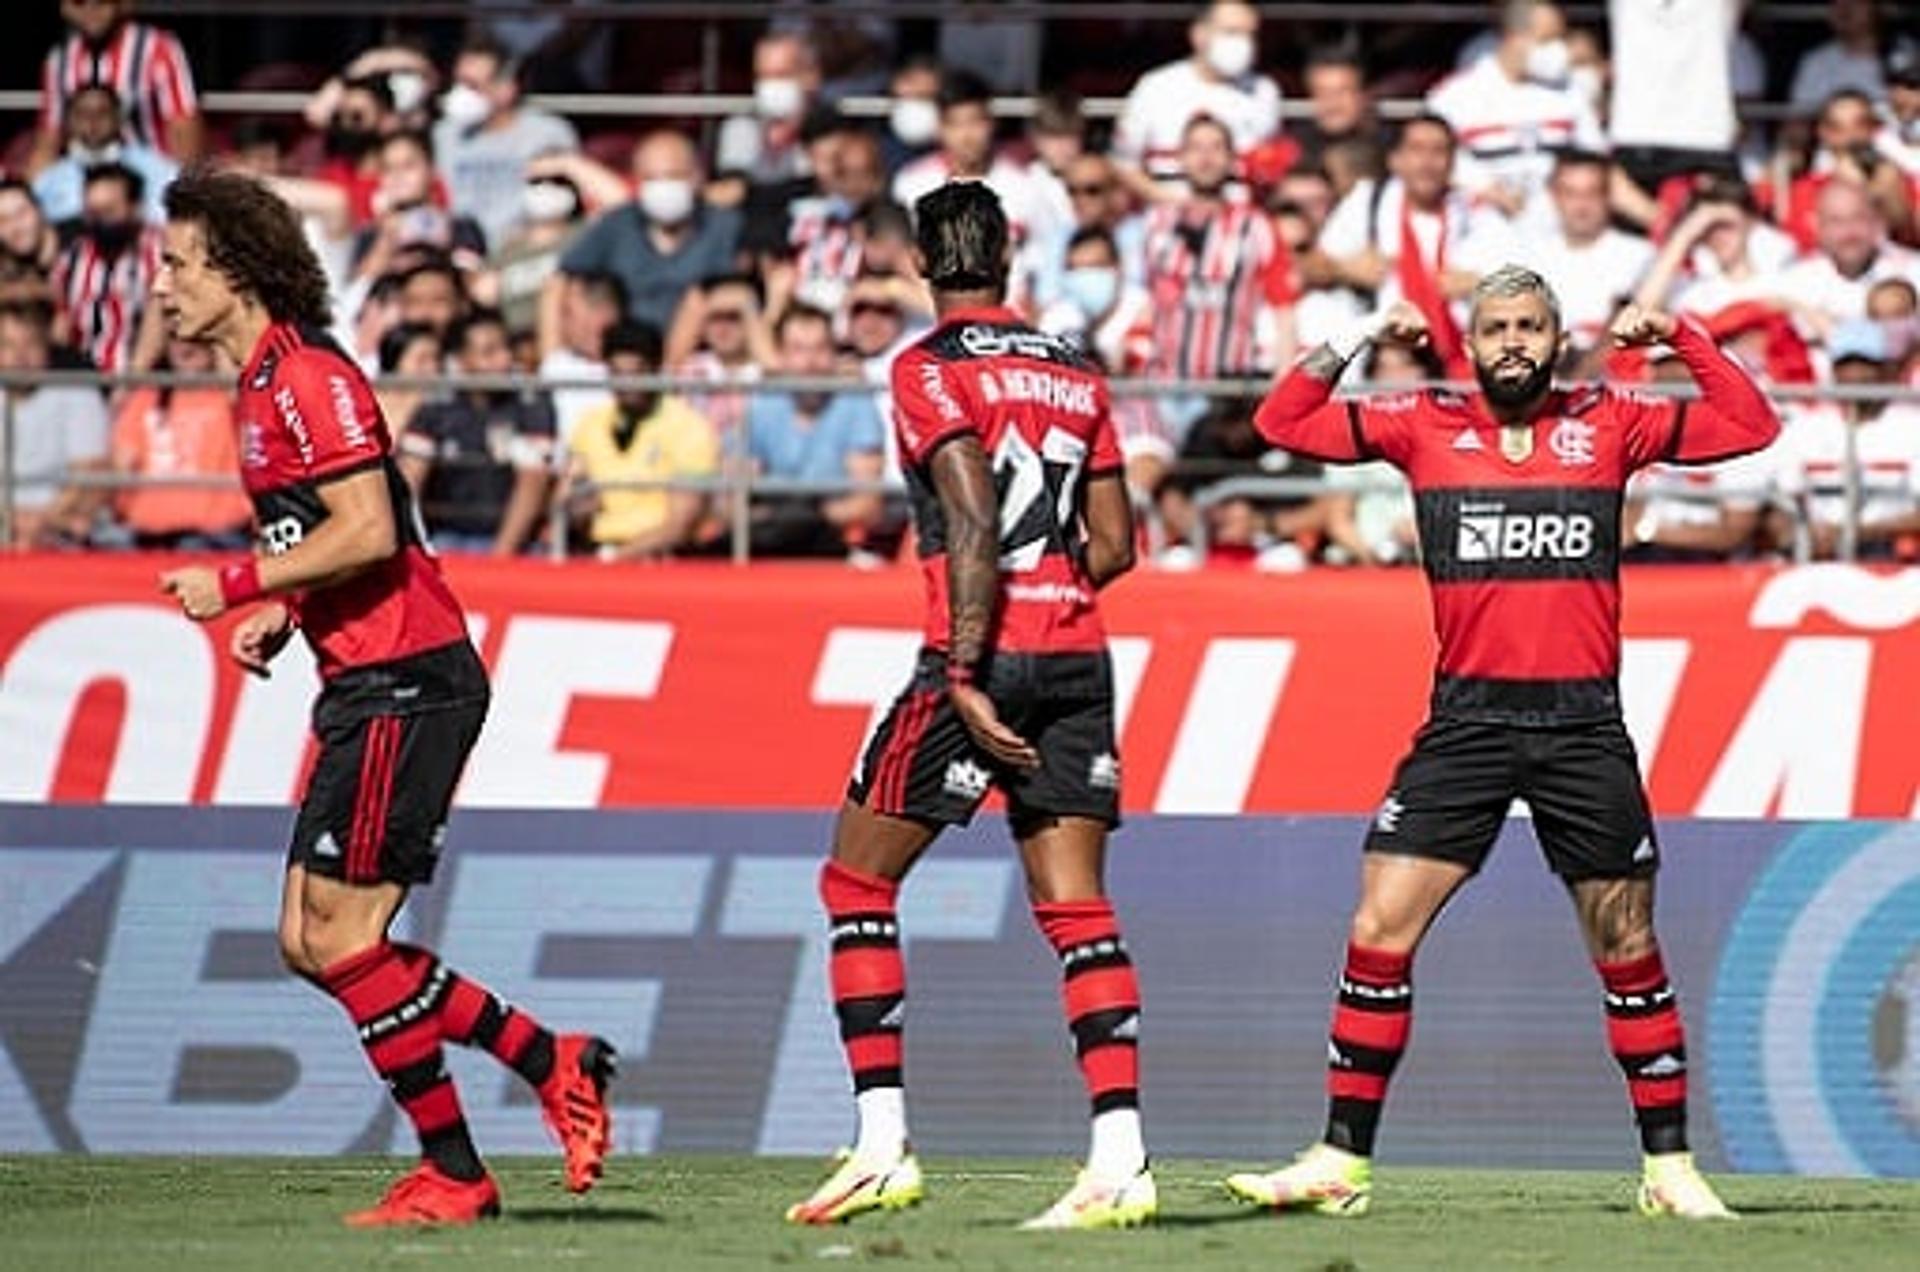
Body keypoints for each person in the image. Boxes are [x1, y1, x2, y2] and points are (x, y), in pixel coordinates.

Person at [1222, 265, 1779, 1219]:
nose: (1512, 340)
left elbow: (1750, 424)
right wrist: (1359, 333)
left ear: (1558, 341)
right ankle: (1339, 1163)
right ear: (1469, 344)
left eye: (1529, 325)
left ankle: (1669, 1170)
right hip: (1467, 724)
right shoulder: (1423, 421)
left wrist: (1680, 333)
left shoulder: (1614, 419)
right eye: (1495, 327)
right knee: (1376, 929)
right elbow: (1281, 421)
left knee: (1627, 945)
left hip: (1580, 726)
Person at [150, 169, 613, 1226]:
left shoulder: (311, 378)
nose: (163, 285)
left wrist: (235, 586)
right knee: (307, 943)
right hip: (361, 680)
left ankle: (456, 1169)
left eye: (177, 263)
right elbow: (328, 543)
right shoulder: (258, 386)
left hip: (410, 679)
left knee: (348, 939)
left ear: (232, 267)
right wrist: (290, 603)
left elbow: (370, 528)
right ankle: (550, 1057)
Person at [783, 181, 1149, 1231]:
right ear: (1007, 256)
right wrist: (1053, 599)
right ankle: (1119, 1158)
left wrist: (964, 667)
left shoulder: (925, 366)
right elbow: (1118, 545)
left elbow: (973, 513)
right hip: (1080, 652)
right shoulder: (1077, 369)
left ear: (918, 263)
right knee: (1077, 908)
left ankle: (883, 1145)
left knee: (855, 880)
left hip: (980, 656)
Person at [1426, 1, 1606, 234]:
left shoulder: (1571, 93)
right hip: (1479, 238)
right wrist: (1486, 188)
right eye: (1547, 40)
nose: (1559, 50)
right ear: (1514, 37)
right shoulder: (1452, 97)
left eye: (1561, 39)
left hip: (1560, 240)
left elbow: (1597, 159)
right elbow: (1425, 163)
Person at [548, 130, 740, 335]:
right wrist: (552, 358)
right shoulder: (617, 223)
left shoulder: (727, 226)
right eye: (651, 178)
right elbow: (561, 280)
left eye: (674, 176)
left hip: (706, 353)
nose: (663, 188)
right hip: (628, 352)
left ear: (698, 175)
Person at [397, 308, 555, 555]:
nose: (503, 360)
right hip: (446, 536)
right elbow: (410, 479)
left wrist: (500, 557)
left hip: (516, 544)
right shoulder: (437, 404)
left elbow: (532, 483)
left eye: (506, 349)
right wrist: (415, 548)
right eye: (489, 353)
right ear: (460, 360)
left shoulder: (530, 402)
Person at [564, 321, 719, 559]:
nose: (628, 385)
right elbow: (566, 496)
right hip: (595, 549)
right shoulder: (591, 424)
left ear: (656, 370)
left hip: (659, 558)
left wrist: (615, 557)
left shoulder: (688, 427)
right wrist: (577, 506)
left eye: (637, 373)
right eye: (618, 373)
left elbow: (680, 524)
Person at [741, 304, 886, 556]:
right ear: (781, 355)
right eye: (797, 350)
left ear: (834, 353)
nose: (809, 363)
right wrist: (770, 518)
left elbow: (867, 505)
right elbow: (734, 492)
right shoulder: (763, 402)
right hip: (770, 531)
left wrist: (806, 517)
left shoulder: (856, 403)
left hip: (833, 536)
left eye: (820, 349)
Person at [433, 32, 579, 250]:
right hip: (455, 250)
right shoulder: (444, 134)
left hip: (521, 250)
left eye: (472, 85)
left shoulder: (548, 132)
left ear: (506, 88)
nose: (460, 94)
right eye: (458, 82)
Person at [1113, 0, 1281, 188]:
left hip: (1239, 210)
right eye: (1232, 32)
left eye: (1250, 35)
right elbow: (1123, 164)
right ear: (1199, 34)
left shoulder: (1264, 91)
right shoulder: (1156, 87)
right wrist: (1167, 200)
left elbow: (1268, 164)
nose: (1244, 43)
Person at [110, 335, 252, 549]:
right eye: (175, 337)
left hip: (213, 535)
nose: (184, 345)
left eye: (196, 337)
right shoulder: (146, 397)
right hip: (143, 533)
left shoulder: (230, 398)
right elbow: (122, 465)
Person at [31, 0, 201, 173]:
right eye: (79, 1)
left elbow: (183, 133)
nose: (91, 8)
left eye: (102, 1)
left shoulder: (159, 49)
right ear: (65, 7)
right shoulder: (59, 60)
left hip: (151, 180)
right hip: (82, 183)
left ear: (124, 4)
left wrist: (180, 192)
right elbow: (47, 142)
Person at [0, 298, 109, 546]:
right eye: (8, 345)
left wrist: (41, 522)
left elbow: (89, 473)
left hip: (60, 527)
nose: (20, 357)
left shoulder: (79, 395)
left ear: (46, 348)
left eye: (30, 344)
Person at [49, 161, 163, 373]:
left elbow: (163, 319)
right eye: (93, 213)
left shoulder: (160, 251)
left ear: (135, 207)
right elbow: (60, 327)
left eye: (109, 211)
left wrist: (130, 382)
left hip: (145, 380)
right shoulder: (72, 258)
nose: (100, 222)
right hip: (84, 381)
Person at [32, 83, 177, 225]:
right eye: (83, 113)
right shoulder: (49, 180)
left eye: (102, 111)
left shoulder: (157, 169)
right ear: (70, 121)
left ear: (119, 118)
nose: (92, 120)